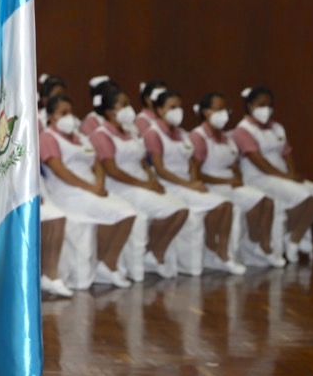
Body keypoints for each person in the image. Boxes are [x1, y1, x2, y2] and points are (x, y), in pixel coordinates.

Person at [89, 87, 189, 279]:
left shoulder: (131, 132)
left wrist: (152, 180)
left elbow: (143, 160)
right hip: (122, 187)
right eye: (124, 105)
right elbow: (112, 169)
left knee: (182, 209)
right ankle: (134, 258)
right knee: (172, 210)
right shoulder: (101, 135)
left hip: (142, 183)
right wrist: (144, 185)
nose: (130, 108)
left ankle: (154, 252)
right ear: (110, 111)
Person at [40, 95, 138, 287]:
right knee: (121, 213)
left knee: (130, 212)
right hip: (68, 192)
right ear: (51, 117)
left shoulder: (81, 138)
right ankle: (104, 264)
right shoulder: (47, 137)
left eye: (71, 112)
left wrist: (99, 184)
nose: (69, 117)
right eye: (63, 113)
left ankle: (107, 264)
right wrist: (90, 188)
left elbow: (97, 164)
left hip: (93, 189)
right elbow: (60, 171)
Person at [143, 88, 244, 274]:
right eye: (172, 107)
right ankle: (208, 249)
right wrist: (189, 185)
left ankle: (221, 254)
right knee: (219, 205)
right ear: (159, 110)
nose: (177, 111)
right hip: (170, 184)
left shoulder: (182, 133)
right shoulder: (153, 133)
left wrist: (195, 182)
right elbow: (160, 169)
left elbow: (191, 163)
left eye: (179, 106)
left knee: (226, 206)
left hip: (186, 184)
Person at [232, 85, 313, 264]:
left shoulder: (277, 127)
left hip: (281, 175)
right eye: (261, 104)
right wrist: (287, 178)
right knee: (303, 195)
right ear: (250, 106)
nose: (266, 108)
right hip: (260, 177)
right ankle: (286, 233)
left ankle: (294, 239)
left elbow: (286, 152)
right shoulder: (243, 130)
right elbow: (258, 161)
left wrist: (291, 173)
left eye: (269, 104)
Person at [189, 92, 284, 268]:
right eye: (219, 109)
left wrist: (238, 178)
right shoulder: (199, 137)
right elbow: (196, 172)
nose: (224, 113)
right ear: (206, 112)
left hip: (230, 183)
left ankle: (260, 246)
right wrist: (224, 182)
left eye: (226, 109)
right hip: (213, 184)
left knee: (267, 202)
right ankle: (222, 254)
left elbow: (234, 164)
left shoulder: (226, 137)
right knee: (230, 206)